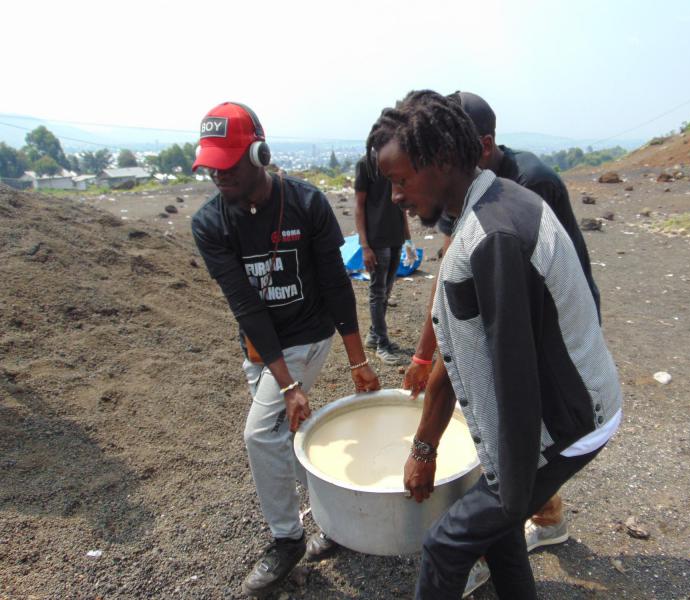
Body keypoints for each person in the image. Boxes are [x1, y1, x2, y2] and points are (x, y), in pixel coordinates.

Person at [367, 90, 622, 599]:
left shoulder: (494, 236)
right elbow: (458, 345)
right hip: (561, 407)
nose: (395, 196)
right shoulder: (488, 200)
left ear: (441, 160)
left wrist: (512, 493)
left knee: (445, 545)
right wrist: (432, 446)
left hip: (567, 420)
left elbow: (517, 379)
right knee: (500, 538)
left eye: (400, 180)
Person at [191, 102, 380, 598]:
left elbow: (338, 286)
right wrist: (286, 384)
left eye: (229, 165)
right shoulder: (210, 223)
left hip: (308, 333)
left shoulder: (306, 204)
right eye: (211, 166)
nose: (219, 176)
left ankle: (286, 541)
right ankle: (340, 519)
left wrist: (356, 359)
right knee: (287, 435)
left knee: (260, 435)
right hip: (260, 345)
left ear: (260, 153)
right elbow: (246, 308)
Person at [354, 154, 412, 365]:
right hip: (376, 239)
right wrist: (364, 245)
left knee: (386, 289)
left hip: (395, 236)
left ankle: (374, 335)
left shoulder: (396, 161)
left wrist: (408, 240)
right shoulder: (365, 164)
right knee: (378, 292)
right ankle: (382, 344)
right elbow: (359, 206)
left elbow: (401, 202)